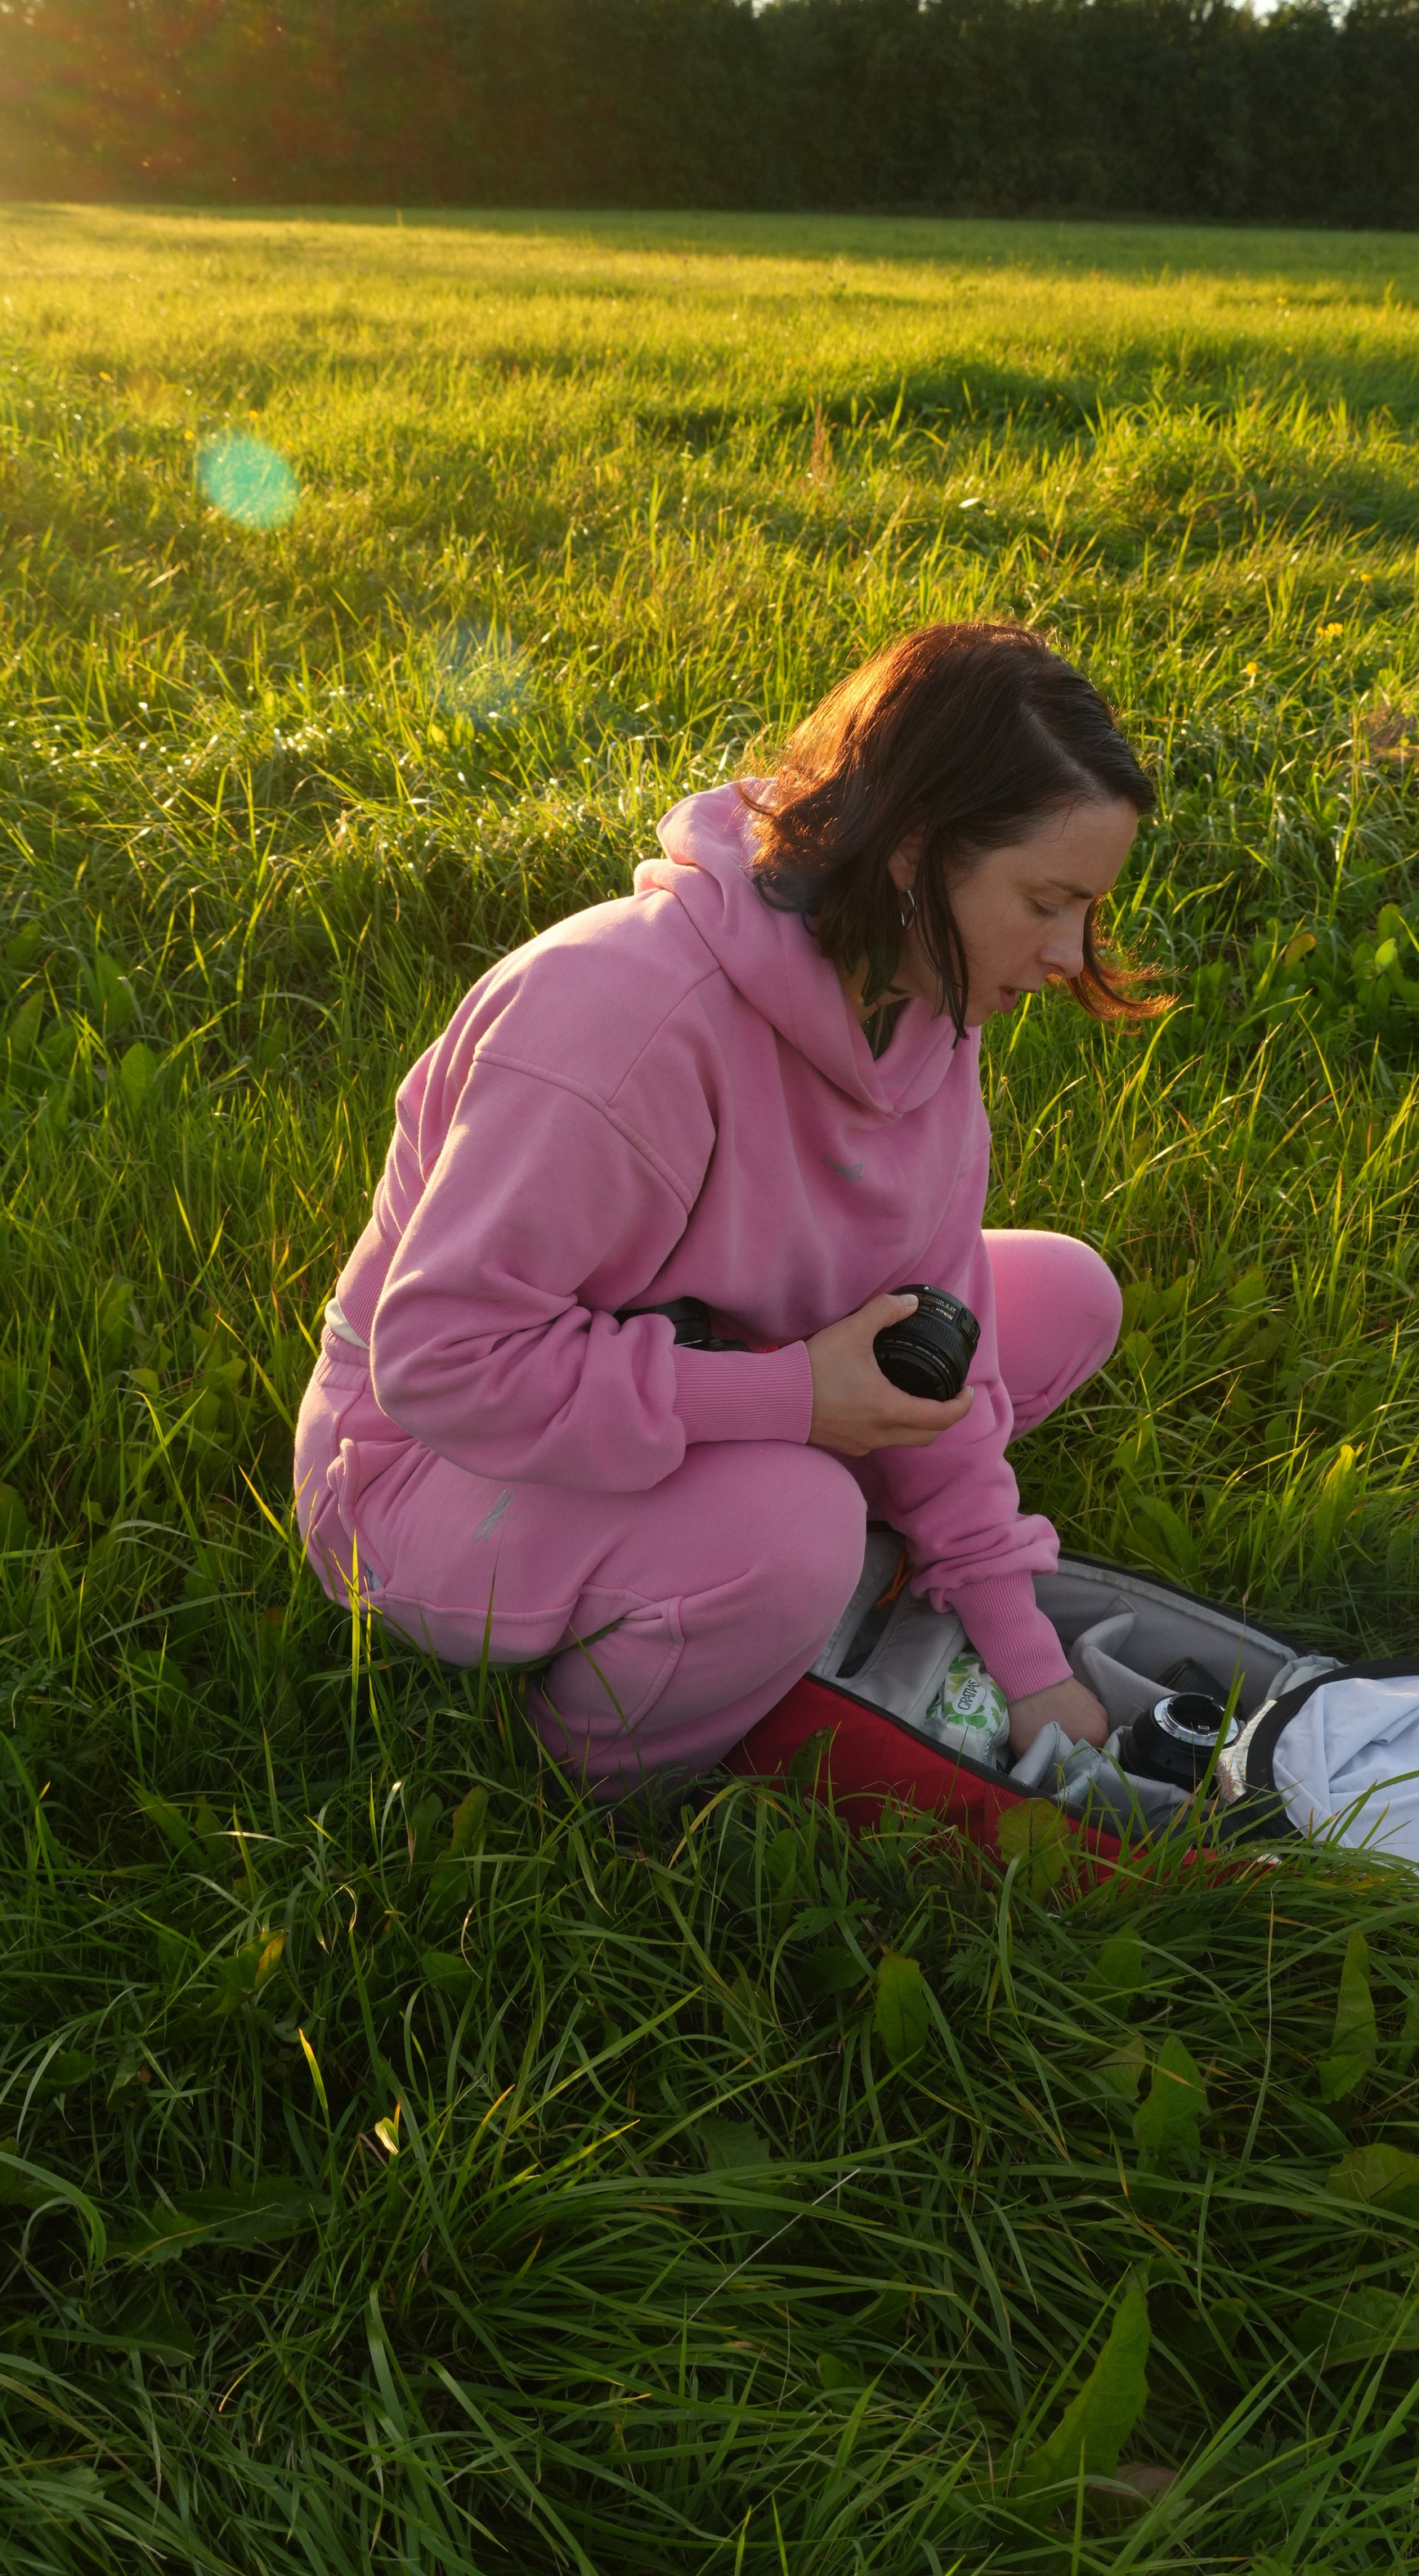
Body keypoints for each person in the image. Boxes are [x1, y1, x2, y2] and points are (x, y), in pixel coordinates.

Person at [293, 621, 1154, 1802]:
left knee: (1063, 1294)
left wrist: (1027, 1661)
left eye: (1088, 910)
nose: (1070, 953)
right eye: (1047, 901)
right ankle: (599, 1773)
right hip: (418, 1470)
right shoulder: (617, 1021)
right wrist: (792, 1401)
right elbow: (443, 1365)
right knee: (798, 1528)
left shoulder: (922, 1016)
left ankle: (757, 1574)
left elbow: (933, 1359)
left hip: (692, 1383)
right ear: (913, 853)